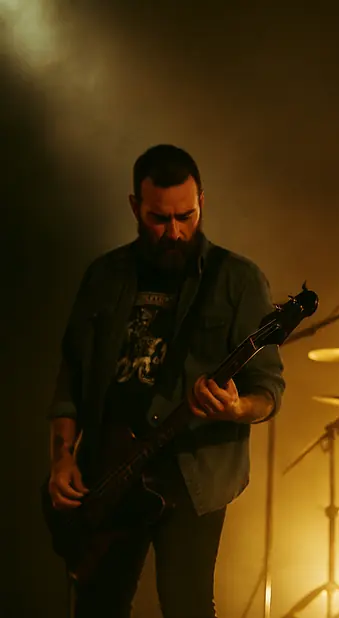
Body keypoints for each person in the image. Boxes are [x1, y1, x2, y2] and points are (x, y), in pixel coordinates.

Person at [45, 144, 285, 618]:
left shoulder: (237, 280)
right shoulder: (105, 275)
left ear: (202, 203)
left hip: (192, 479)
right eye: (159, 219)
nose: (174, 232)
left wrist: (236, 408)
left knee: (188, 606)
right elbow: (70, 377)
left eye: (186, 216)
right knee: (97, 606)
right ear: (135, 206)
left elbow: (268, 391)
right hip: (110, 472)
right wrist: (61, 459)